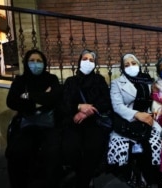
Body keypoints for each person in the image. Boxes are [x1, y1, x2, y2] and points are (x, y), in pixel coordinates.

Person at [5, 49, 62, 188]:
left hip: (48, 125)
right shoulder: (20, 80)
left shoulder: (51, 79)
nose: (35, 64)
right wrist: (41, 99)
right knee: (16, 151)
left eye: (39, 61)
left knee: (53, 153)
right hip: (27, 126)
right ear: (26, 63)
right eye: (32, 61)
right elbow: (11, 101)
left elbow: (56, 97)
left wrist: (28, 97)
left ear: (44, 63)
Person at [58, 49, 112, 188]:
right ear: (79, 62)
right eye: (85, 59)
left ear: (95, 64)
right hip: (74, 122)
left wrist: (88, 111)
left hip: (95, 122)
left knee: (93, 147)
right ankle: (84, 176)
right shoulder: (71, 82)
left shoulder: (99, 80)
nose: (88, 62)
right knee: (70, 149)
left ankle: (83, 180)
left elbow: (106, 101)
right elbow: (64, 103)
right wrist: (79, 107)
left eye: (91, 60)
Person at [107, 53, 161, 187]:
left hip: (148, 119)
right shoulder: (117, 83)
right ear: (122, 68)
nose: (131, 66)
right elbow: (117, 106)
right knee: (129, 144)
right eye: (126, 65)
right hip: (127, 120)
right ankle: (131, 174)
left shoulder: (148, 81)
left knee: (154, 142)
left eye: (133, 63)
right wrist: (137, 114)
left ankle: (146, 176)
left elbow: (156, 101)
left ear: (138, 64)